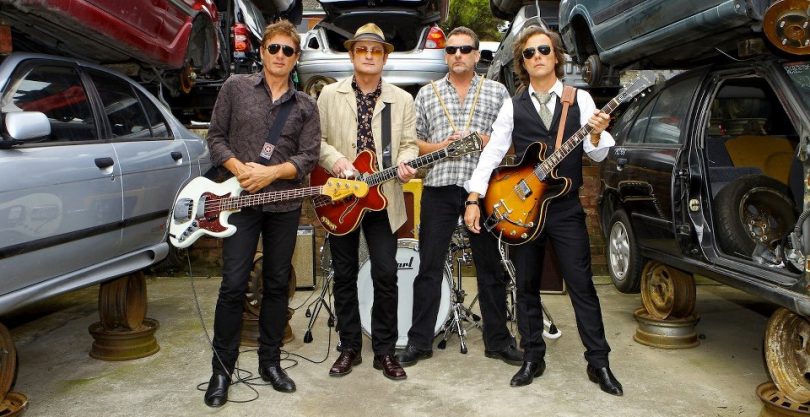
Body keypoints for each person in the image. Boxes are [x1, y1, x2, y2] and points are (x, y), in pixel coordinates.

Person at [463, 26, 623, 396]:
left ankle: (598, 362)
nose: (537, 57)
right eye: (529, 53)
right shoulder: (512, 105)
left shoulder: (579, 99)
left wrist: (595, 133)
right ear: (522, 62)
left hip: (565, 209)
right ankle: (533, 356)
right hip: (524, 210)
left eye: (544, 50)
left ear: (556, 57)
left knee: (582, 285)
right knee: (526, 286)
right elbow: (493, 152)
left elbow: (598, 153)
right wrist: (474, 197)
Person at [203, 20, 320, 407]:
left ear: (296, 57)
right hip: (239, 202)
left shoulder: (305, 106)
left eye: (288, 50)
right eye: (274, 48)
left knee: (276, 283)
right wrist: (240, 170)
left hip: (284, 204)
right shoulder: (235, 88)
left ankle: (270, 362)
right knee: (234, 284)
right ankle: (222, 370)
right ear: (262, 51)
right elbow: (215, 137)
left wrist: (270, 173)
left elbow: (308, 157)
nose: (280, 56)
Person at [397, 27, 522, 367]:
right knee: (428, 266)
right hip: (439, 186)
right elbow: (414, 144)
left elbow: (510, 144)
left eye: (465, 49)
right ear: (445, 55)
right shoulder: (427, 93)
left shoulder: (497, 92)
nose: (458, 55)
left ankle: (498, 341)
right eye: (451, 49)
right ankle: (419, 341)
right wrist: (443, 146)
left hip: (483, 189)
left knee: (490, 265)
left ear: (477, 55)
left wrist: (481, 140)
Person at [317, 23, 419, 381]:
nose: (369, 56)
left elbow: (409, 144)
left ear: (385, 58)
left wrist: (405, 163)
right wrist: (337, 162)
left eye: (376, 51)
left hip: (383, 196)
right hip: (342, 197)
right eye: (362, 49)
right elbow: (317, 141)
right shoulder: (329, 95)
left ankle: (385, 351)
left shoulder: (402, 100)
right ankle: (349, 347)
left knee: (386, 274)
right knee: (344, 274)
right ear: (352, 55)